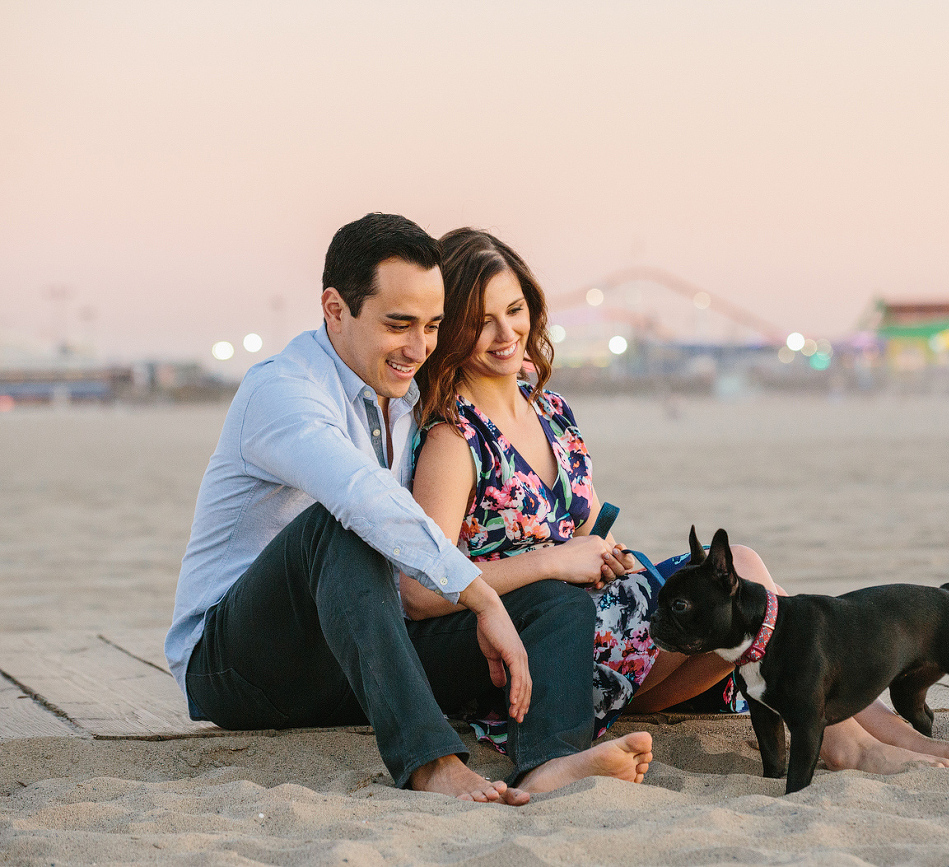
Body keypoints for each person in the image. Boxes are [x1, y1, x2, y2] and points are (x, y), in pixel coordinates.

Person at [402, 227, 949, 775]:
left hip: (606, 628)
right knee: (748, 587)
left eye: (514, 310)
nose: (507, 333)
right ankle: (857, 744)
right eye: (481, 320)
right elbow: (420, 591)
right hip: (536, 645)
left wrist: (602, 556)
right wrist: (553, 563)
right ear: (450, 330)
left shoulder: (552, 414)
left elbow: (580, 536)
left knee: (750, 590)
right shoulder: (454, 440)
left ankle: (864, 738)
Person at [165, 213, 651, 806]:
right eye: (399, 324)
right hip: (239, 666)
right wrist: (479, 596)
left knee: (552, 595)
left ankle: (549, 761)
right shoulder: (283, 392)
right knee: (340, 527)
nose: (419, 346)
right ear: (336, 309)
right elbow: (362, 499)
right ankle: (431, 764)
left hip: (356, 658)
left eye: (432, 326)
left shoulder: (404, 391)